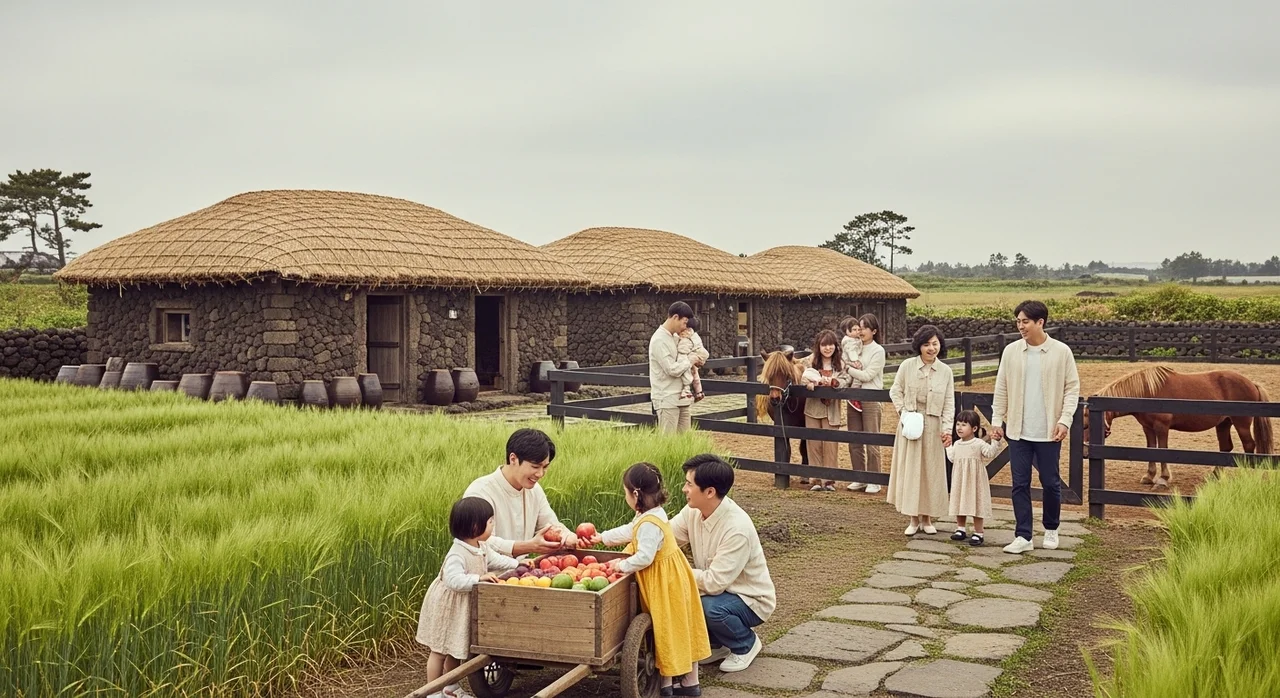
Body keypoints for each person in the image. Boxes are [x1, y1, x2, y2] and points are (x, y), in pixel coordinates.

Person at [592, 463, 711, 697]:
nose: (625, 496)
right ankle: (678, 682)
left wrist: (621, 564)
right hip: (668, 577)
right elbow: (631, 530)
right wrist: (602, 537)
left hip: (665, 582)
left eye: (626, 492)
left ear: (635, 494)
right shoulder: (651, 514)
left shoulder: (648, 523)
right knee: (673, 626)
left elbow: (645, 557)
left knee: (668, 627)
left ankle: (683, 683)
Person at [669, 454, 775, 675]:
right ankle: (717, 645)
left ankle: (746, 643)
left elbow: (714, 583)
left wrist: (678, 572)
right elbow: (665, 536)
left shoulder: (736, 529)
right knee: (691, 599)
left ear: (709, 492)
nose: (684, 489)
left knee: (709, 608)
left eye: (689, 484)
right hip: (720, 593)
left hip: (749, 599)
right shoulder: (693, 511)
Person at [991, 300, 1081, 554]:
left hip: (1048, 431)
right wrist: (997, 420)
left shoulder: (1061, 352)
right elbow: (1001, 388)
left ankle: (1051, 529)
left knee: (1050, 482)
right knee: (1019, 484)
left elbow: (1072, 389)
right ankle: (1023, 535)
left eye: (1025, 321)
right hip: (1018, 431)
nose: (1020, 326)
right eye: (1018, 321)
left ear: (1040, 322)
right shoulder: (1010, 352)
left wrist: (1064, 420)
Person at [415, 497, 519, 698]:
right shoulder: (457, 553)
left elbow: (495, 559)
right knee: (439, 651)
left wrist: (517, 565)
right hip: (447, 608)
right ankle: (433, 691)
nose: (493, 525)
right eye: (490, 522)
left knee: (454, 650)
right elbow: (454, 580)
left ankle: (450, 687)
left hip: (462, 607)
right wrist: (479, 578)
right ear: (474, 526)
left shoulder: (481, 545)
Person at [463, 428, 577, 558]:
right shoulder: (480, 492)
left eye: (545, 467)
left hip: (522, 573)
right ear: (513, 459)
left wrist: (567, 536)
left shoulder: (535, 490)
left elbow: (548, 525)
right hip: (484, 575)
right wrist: (528, 546)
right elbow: (480, 542)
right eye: (535, 466)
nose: (540, 474)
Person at [887, 325, 954, 535]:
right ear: (919, 346)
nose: (931, 348)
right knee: (912, 471)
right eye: (926, 344)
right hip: (912, 426)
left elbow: (949, 403)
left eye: (935, 344)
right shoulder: (907, 366)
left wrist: (947, 429)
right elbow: (895, 390)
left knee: (931, 471)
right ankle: (913, 518)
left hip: (934, 427)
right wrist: (904, 413)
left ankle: (928, 518)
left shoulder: (945, 371)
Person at [800, 329, 851, 491]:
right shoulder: (810, 361)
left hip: (832, 410)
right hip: (813, 408)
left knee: (830, 445)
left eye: (830, 345)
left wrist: (834, 382)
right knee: (813, 444)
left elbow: (846, 379)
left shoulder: (841, 363)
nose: (827, 348)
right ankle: (815, 479)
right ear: (818, 346)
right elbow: (800, 374)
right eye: (824, 345)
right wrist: (809, 382)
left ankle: (829, 481)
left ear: (835, 346)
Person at [946, 410, 1003, 546]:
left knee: (976, 504)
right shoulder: (957, 444)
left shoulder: (978, 443)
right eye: (958, 424)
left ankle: (979, 532)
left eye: (964, 424)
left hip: (975, 480)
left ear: (974, 428)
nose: (959, 427)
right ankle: (960, 528)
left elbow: (990, 453)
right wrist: (947, 446)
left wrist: (995, 441)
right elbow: (952, 458)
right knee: (960, 502)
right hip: (960, 479)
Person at [844, 314, 887, 494]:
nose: (860, 331)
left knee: (871, 439)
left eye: (864, 328)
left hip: (870, 396)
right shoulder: (855, 347)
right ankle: (859, 477)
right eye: (859, 328)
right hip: (854, 396)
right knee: (855, 439)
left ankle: (874, 479)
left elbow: (868, 375)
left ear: (874, 331)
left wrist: (848, 368)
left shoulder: (878, 351)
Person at [650, 302, 706, 434]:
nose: (685, 327)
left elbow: (691, 351)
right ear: (675, 317)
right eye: (684, 322)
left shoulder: (677, 337)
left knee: (684, 441)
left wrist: (698, 358)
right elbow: (672, 369)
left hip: (683, 398)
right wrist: (690, 360)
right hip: (667, 398)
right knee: (668, 443)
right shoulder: (659, 340)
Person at [677, 316, 709, 402]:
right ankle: (699, 391)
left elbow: (682, 350)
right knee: (695, 374)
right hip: (698, 355)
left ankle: (686, 391)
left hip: (691, 358)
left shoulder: (686, 337)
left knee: (686, 373)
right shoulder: (695, 335)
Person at [838, 316, 864, 413]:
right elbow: (851, 351)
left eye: (858, 329)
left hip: (851, 361)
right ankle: (854, 394)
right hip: (850, 361)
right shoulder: (849, 341)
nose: (857, 331)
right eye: (854, 329)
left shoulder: (855, 339)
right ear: (847, 331)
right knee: (858, 374)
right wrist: (855, 361)